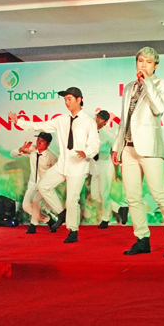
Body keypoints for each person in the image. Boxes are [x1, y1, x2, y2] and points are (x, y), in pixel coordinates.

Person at [112, 47, 164, 258]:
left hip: (150, 148)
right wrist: (117, 146)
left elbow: (158, 108)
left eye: (148, 62)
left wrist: (148, 82)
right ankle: (142, 239)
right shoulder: (128, 87)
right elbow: (124, 119)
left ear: (155, 66)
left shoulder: (161, 84)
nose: (143, 65)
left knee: (159, 194)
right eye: (140, 61)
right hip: (128, 148)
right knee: (132, 197)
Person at [9, 87, 100, 244]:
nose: (66, 102)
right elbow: (41, 125)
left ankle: (73, 231)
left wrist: (86, 152)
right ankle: (62, 213)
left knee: (72, 200)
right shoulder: (61, 120)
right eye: (65, 99)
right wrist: (19, 122)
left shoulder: (88, 122)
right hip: (62, 165)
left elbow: (95, 143)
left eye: (69, 99)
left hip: (78, 166)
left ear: (79, 100)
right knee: (43, 186)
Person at [9, 132, 57, 234]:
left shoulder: (51, 157)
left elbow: (56, 174)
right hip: (32, 184)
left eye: (42, 141)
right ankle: (49, 221)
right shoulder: (33, 150)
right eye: (38, 140)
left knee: (36, 202)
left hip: (44, 186)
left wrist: (50, 185)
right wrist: (21, 149)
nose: (39, 142)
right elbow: (12, 154)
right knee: (26, 206)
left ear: (48, 144)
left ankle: (33, 225)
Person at [91, 110, 129, 229]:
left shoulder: (108, 136)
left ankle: (105, 219)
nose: (97, 120)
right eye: (97, 117)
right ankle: (120, 208)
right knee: (95, 195)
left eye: (100, 119)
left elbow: (117, 150)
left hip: (105, 165)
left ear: (105, 122)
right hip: (94, 166)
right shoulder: (89, 131)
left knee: (104, 193)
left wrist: (119, 168)